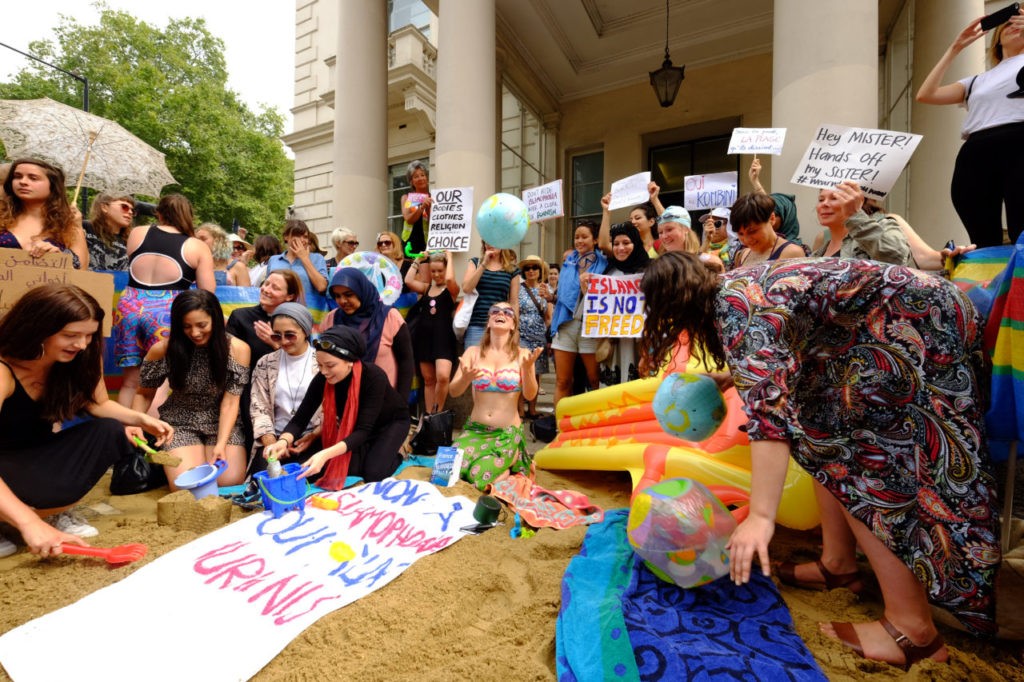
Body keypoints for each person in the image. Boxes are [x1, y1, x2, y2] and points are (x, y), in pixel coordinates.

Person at [638, 251, 999, 667]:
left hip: (916, 324)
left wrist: (760, 517)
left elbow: (769, 419)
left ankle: (912, 630)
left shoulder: (738, 309)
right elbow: (785, 350)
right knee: (823, 439)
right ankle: (838, 564)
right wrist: (732, 377)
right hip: (917, 313)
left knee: (866, 466)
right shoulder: (736, 290)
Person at [0, 284, 173, 556]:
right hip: (6, 463)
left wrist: (140, 419)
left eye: (89, 336)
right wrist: (29, 522)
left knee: (111, 430)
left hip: (36, 455)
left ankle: (41, 515)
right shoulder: (3, 370)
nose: (81, 345)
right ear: (38, 329)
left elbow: (99, 404)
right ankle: (16, 519)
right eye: (70, 335)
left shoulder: (77, 359)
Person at [916, 10, 1024, 247]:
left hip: (1019, 142)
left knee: (1021, 229)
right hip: (976, 150)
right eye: (1008, 24)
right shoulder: (976, 81)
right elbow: (926, 94)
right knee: (981, 234)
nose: (1016, 26)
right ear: (996, 37)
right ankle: (987, 281)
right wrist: (956, 47)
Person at [132, 290, 251, 487]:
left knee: (230, 481)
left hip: (221, 421)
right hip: (179, 422)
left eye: (201, 325)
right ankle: (175, 461)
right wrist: (135, 422)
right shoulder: (163, 349)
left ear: (216, 319)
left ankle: (189, 459)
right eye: (186, 326)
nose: (195, 333)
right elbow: (143, 394)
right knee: (187, 484)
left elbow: (230, 403)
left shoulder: (238, 349)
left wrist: (221, 444)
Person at [263, 326, 409, 487]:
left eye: (330, 365)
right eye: (319, 365)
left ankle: (396, 452)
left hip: (390, 424)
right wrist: (282, 441)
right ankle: (370, 452)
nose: (324, 371)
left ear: (350, 361)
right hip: (355, 427)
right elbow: (300, 418)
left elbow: (363, 431)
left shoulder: (374, 377)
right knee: (348, 469)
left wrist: (325, 454)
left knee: (373, 473)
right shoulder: (323, 379)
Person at [112, 194, 216, 408]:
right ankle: (150, 435)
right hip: (166, 312)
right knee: (158, 383)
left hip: (130, 305)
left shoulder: (137, 233)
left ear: (158, 213)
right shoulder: (196, 246)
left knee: (131, 381)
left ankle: (123, 435)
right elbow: (207, 292)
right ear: (188, 216)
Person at [449, 302, 541, 491]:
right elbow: (453, 391)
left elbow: (530, 395)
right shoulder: (473, 353)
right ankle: (502, 468)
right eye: (495, 311)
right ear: (489, 322)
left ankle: (507, 466)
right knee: (448, 469)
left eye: (508, 312)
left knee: (479, 476)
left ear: (513, 325)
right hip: (476, 430)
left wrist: (527, 371)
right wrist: (465, 379)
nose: (501, 313)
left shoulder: (523, 354)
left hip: (505, 433)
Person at [226, 270, 304, 454]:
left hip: (289, 388)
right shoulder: (241, 317)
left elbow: (303, 360)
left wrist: (276, 343)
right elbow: (229, 362)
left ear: (289, 296)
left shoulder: (297, 322)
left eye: (275, 287)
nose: (266, 289)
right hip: (250, 392)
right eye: (266, 283)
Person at [321, 268, 414, 401]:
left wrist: (401, 403)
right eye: (337, 296)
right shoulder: (331, 319)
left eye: (348, 294)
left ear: (362, 291)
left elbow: (406, 362)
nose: (342, 301)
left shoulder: (389, 317)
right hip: (343, 401)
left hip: (383, 402)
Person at [249, 303, 321, 473]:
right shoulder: (265, 363)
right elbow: (259, 409)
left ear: (306, 331)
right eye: (277, 336)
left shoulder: (322, 361)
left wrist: (315, 435)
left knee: (308, 479)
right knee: (264, 481)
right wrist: (272, 444)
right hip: (273, 436)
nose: (283, 341)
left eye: (290, 335)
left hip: (314, 436)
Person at [551, 221, 606, 405]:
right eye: (576, 237)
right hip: (566, 324)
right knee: (562, 381)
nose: (579, 241)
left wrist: (588, 289)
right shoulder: (568, 262)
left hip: (590, 327)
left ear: (596, 240)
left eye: (584, 237)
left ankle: (599, 425)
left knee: (594, 380)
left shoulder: (604, 262)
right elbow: (562, 295)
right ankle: (560, 427)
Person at [0, 158, 88, 268]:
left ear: (52, 185)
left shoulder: (68, 222)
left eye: (33, 178)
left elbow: (81, 271)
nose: (23, 182)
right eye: (17, 176)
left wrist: (58, 258)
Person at [809, 181, 914, 266]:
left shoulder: (883, 225)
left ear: (858, 202)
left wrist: (855, 215)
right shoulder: (819, 251)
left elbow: (898, 258)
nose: (824, 204)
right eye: (821, 199)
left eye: (835, 198)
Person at [404, 251, 460, 411]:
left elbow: (450, 279)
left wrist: (449, 257)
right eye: (433, 271)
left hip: (443, 339)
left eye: (440, 271)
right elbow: (408, 280)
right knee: (428, 380)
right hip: (424, 339)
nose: (436, 274)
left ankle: (437, 413)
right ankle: (429, 417)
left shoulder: (452, 289)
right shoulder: (427, 287)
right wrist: (418, 259)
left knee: (443, 377)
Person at [600, 223, 650, 384]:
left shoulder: (651, 270)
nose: (621, 248)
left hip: (641, 344)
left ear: (636, 243)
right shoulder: (608, 273)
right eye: (616, 244)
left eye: (626, 243)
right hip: (614, 345)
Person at [461, 242, 520, 348]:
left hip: (500, 325)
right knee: (473, 363)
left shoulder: (512, 270)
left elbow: (514, 302)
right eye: (486, 240)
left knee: (497, 363)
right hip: (476, 325)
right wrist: (484, 264)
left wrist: (515, 329)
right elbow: (466, 288)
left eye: (493, 240)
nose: (489, 243)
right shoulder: (475, 262)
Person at [516, 254, 552, 418]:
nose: (531, 271)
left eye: (534, 267)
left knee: (536, 374)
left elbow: (549, 316)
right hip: (522, 335)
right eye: (527, 268)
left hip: (539, 336)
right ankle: (519, 410)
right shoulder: (518, 288)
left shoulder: (546, 289)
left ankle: (532, 408)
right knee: (521, 373)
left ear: (540, 270)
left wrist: (547, 334)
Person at [730, 193, 806, 268]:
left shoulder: (792, 253)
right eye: (740, 234)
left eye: (752, 231)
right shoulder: (742, 255)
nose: (747, 240)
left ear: (772, 219)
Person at [598, 181, 664, 257]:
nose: (633, 221)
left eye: (637, 218)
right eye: (631, 219)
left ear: (651, 221)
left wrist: (655, 199)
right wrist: (606, 211)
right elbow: (603, 245)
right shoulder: (627, 248)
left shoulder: (662, 244)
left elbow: (671, 224)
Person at [267, 219, 329, 298]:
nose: (303, 240)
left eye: (305, 237)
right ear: (286, 237)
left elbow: (321, 287)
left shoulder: (317, 258)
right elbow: (268, 287)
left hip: (306, 308)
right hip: (277, 307)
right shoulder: (274, 260)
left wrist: (304, 258)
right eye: (297, 235)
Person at [748, 158, 803, 246]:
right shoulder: (753, 246)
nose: (765, 219)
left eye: (772, 215)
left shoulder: (796, 251)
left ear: (786, 219)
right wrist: (755, 181)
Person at [84, 192, 135, 271]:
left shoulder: (132, 240)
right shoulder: (84, 227)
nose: (130, 212)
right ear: (105, 207)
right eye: (124, 207)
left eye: (132, 210)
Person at [400, 160, 432, 255]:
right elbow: (408, 219)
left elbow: (435, 222)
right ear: (411, 181)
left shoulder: (433, 197)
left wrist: (428, 208)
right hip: (410, 243)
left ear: (427, 178)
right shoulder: (407, 198)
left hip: (427, 243)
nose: (420, 178)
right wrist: (422, 207)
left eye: (423, 175)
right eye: (416, 176)